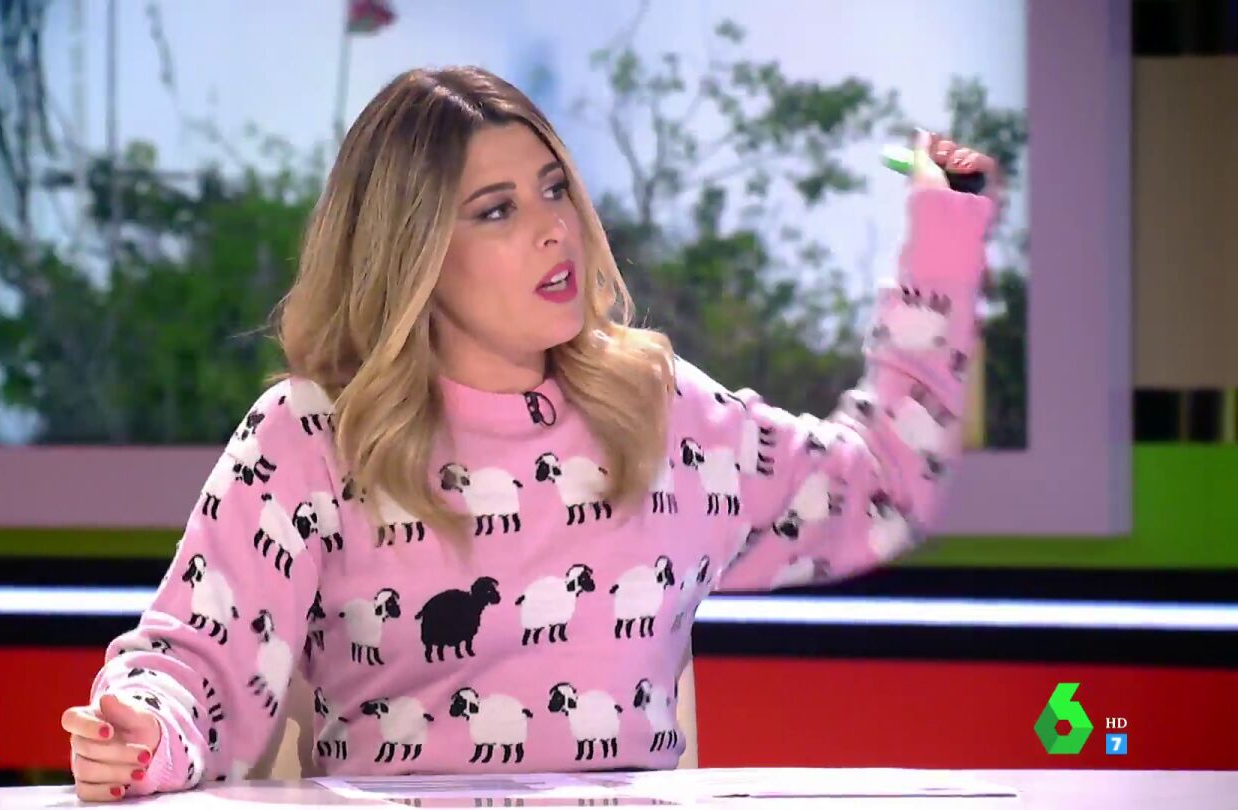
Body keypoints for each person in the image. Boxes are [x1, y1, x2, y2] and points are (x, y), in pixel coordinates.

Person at [60, 65, 997, 802]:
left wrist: (944, 235)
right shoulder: (310, 438)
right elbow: (194, 665)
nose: (555, 228)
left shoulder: (662, 413)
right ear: (415, 253)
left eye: (554, 189)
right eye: (498, 210)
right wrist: (142, 732)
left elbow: (884, 484)